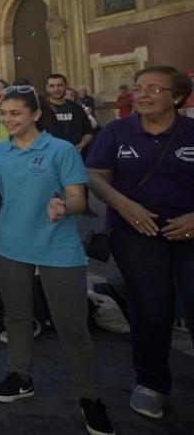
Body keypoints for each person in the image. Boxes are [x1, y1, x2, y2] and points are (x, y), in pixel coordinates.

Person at [0, 84, 114, 435]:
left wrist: (63, 206)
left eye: (16, 113)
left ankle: (90, 398)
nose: (9, 119)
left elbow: (78, 198)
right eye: (4, 114)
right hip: (10, 247)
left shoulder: (61, 150)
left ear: (35, 114)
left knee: (72, 328)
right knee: (16, 317)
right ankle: (20, 377)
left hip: (58, 251)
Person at [86, 66, 194, 421]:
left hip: (190, 234)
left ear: (177, 97)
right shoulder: (117, 131)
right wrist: (123, 204)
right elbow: (96, 176)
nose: (142, 95)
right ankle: (151, 383)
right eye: (138, 88)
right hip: (135, 235)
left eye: (153, 89)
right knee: (151, 309)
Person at [44, 73, 94, 154]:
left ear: (66, 86)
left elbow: (88, 132)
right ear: (47, 88)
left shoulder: (77, 109)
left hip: (74, 155)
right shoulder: (41, 110)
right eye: (52, 86)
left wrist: (82, 144)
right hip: (49, 156)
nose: (56, 89)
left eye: (60, 85)